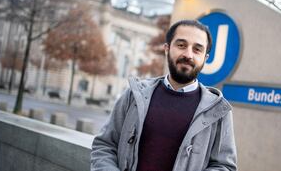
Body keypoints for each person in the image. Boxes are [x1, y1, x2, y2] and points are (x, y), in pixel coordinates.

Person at [91, 20, 238, 171]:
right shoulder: (134, 95)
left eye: (197, 49)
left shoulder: (218, 111)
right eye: (181, 45)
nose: (188, 54)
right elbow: (104, 146)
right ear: (167, 49)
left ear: (205, 58)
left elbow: (224, 166)